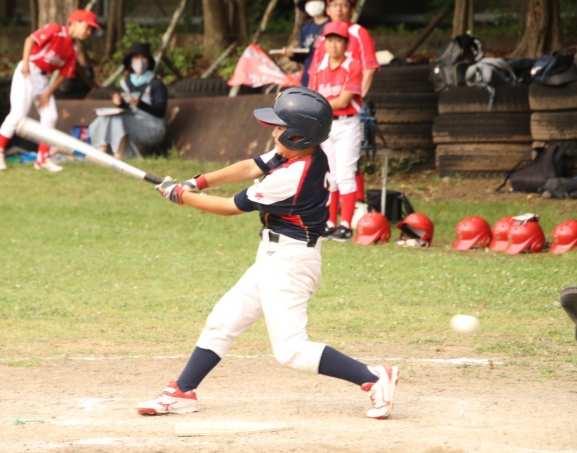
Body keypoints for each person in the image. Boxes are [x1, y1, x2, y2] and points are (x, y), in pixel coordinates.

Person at [137, 87, 399, 420]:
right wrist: (196, 183)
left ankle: (374, 377)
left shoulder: (292, 176)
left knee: (290, 351)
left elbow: (229, 207)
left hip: (290, 263)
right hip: (274, 256)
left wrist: (180, 196)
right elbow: (250, 166)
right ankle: (183, 391)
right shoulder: (301, 153)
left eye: (280, 128)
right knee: (222, 322)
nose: (274, 133)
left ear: (298, 135)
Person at [0, 9, 101, 172]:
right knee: (18, 113)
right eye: (87, 27)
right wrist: (25, 63)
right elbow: (30, 40)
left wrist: (48, 93)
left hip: (42, 79)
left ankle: (42, 158)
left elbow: (64, 74)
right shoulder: (55, 30)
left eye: (91, 30)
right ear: (75, 22)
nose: (88, 32)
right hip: (28, 70)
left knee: (50, 115)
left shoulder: (73, 48)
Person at [309, 0, 380, 202]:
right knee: (330, 169)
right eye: (334, 4)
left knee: (348, 164)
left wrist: (356, 97)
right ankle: (333, 212)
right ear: (327, 9)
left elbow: (369, 67)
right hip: (327, 109)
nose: (339, 9)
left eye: (344, 4)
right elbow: (315, 72)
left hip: (349, 102)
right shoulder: (323, 37)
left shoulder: (359, 33)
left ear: (351, 8)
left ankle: (357, 203)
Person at [309, 21, 363, 242]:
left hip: (347, 124)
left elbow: (343, 101)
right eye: (329, 40)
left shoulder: (353, 66)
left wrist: (319, 105)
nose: (333, 45)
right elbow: (311, 98)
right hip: (326, 125)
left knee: (346, 173)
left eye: (338, 40)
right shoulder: (317, 68)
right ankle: (330, 223)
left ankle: (346, 225)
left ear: (346, 44)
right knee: (329, 175)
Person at [88, 42, 168, 159]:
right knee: (106, 117)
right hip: (131, 124)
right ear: (130, 61)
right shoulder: (127, 83)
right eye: (136, 58)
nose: (139, 61)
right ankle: (101, 149)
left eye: (143, 58)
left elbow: (161, 111)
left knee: (118, 119)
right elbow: (127, 109)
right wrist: (119, 103)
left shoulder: (156, 84)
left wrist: (140, 104)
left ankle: (117, 154)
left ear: (149, 61)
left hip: (151, 128)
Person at [280, 0, 329, 87]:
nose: (313, 3)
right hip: (308, 79)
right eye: (308, 1)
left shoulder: (332, 25)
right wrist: (292, 55)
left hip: (327, 78)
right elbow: (306, 55)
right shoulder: (305, 28)